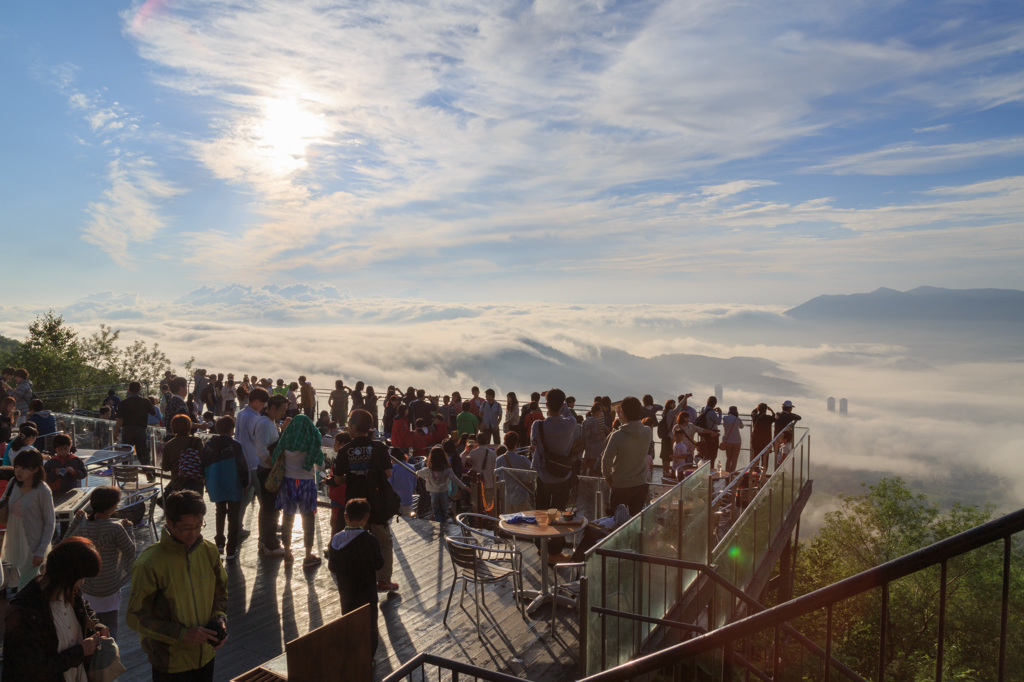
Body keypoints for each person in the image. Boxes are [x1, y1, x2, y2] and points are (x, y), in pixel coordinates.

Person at [128, 490, 228, 682]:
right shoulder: (149, 563)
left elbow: (221, 591)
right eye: (185, 528)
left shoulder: (209, 551)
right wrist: (182, 634)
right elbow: (136, 617)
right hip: (169, 662)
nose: (193, 533)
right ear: (169, 523)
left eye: (198, 526)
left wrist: (220, 618)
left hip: (206, 654)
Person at [2, 536, 108, 682]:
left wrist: (96, 625)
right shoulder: (25, 612)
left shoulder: (69, 591)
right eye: (81, 577)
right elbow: (32, 670)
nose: (82, 582)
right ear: (67, 574)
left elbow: (84, 610)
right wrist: (80, 651)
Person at [333, 409, 398, 592]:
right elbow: (387, 473)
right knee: (384, 541)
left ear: (353, 427)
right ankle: (384, 580)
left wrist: (353, 476)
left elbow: (338, 479)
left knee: (354, 539)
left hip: (354, 504)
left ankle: (356, 576)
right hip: (376, 504)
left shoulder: (345, 450)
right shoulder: (379, 448)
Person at [66, 487, 136, 641]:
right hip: (109, 585)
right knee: (110, 625)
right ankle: (109, 652)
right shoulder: (116, 528)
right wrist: (129, 528)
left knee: (88, 621)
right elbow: (130, 550)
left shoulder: (84, 525)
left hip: (87, 584)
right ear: (112, 507)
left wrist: (77, 520)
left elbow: (67, 541)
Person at [530, 388, 581, 563]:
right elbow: (567, 412)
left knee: (541, 512)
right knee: (559, 514)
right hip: (563, 476)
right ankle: (555, 551)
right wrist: (561, 402)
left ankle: (540, 545)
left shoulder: (538, 425)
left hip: (543, 476)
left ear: (546, 405)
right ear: (562, 404)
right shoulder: (570, 423)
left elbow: (534, 443)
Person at [328, 498, 384, 657]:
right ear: (366, 517)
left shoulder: (336, 540)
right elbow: (379, 564)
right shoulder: (370, 540)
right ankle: (369, 658)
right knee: (370, 627)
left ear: (345, 516)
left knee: (349, 622)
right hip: (367, 593)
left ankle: (351, 654)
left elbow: (332, 567)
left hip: (346, 592)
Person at [236, 390, 290, 557]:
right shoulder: (265, 423)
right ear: (272, 407)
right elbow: (261, 450)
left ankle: (265, 540)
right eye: (281, 410)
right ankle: (269, 543)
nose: (283, 413)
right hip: (266, 470)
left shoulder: (267, 422)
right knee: (269, 508)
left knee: (268, 507)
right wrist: (273, 464)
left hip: (264, 469)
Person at [270, 414, 326, 567]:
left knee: (287, 519)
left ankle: (288, 553)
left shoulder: (286, 442)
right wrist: (322, 474)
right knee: (308, 519)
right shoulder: (312, 444)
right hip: (307, 484)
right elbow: (321, 467)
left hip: (288, 483)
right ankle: (308, 555)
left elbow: (275, 458)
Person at [2, 448, 55, 591]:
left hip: (33, 543)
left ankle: (20, 609)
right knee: (30, 582)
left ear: (36, 469)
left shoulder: (42, 490)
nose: (18, 471)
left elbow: (50, 522)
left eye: (24, 468)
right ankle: (34, 608)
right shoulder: (13, 483)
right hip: (15, 539)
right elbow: (3, 502)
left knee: (24, 584)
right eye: (17, 467)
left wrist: (40, 550)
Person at [202, 416, 250, 560]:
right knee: (234, 517)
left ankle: (219, 544)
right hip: (233, 483)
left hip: (216, 483)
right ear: (231, 429)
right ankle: (231, 548)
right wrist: (245, 483)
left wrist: (206, 483)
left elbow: (203, 464)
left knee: (220, 512)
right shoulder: (236, 445)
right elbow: (242, 466)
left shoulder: (209, 444)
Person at [600, 397, 653, 516]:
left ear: (623, 413)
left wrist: (609, 480)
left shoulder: (617, 436)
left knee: (617, 523)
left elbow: (606, 462)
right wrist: (624, 418)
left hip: (620, 485)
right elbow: (632, 428)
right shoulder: (647, 431)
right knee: (636, 520)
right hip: (640, 484)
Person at [416, 446, 469, 523]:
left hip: (433, 492)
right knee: (444, 511)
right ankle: (444, 525)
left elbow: (418, 473)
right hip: (443, 491)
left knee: (437, 512)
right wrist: (464, 487)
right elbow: (455, 479)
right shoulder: (447, 469)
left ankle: (439, 526)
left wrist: (416, 474)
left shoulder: (428, 470)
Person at [112, 381, 157, 466]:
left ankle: (125, 469)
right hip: (141, 430)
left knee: (126, 451)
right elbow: (153, 413)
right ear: (139, 390)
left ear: (129, 390)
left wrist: (116, 432)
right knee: (143, 452)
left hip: (127, 430)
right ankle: (148, 470)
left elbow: (120, 419)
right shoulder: (145, 401)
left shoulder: (123, 403)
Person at [162, 414, 206, 495]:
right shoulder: (197, 441)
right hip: (196, 483)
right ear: (189, 426)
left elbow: (165, 467)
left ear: (173, 427)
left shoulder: (169, 445)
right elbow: (204, 461)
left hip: (177, 484)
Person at [582, 403, 609, 476]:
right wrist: (603, 432)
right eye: (600, 411)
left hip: (588, 444)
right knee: (593, 461)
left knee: (588, 459)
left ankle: (584, 473)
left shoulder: (586, 421)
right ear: (596, 412)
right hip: (595, 445)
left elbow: (585, 434)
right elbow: (594, 434)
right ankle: (592, 474)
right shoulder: (594, 421)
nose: (601, 413)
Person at [696, 396, 723, 468]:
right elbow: (718, 422)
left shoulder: (704, 409)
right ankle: (711, 469)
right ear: (715, 403)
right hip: (712, 435)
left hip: (705, 434)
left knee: (706, 453)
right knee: (713, 454)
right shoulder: (712, 412)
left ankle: (704, 469)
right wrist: (720, 413)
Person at [720, 406, 745, 472]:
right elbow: (741, 426)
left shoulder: (724, 418)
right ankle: (732, 474)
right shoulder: (737, 419)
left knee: (728, 458)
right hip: (737, 441)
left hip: (727, 441)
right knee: (734, 459)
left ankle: (727, 474)